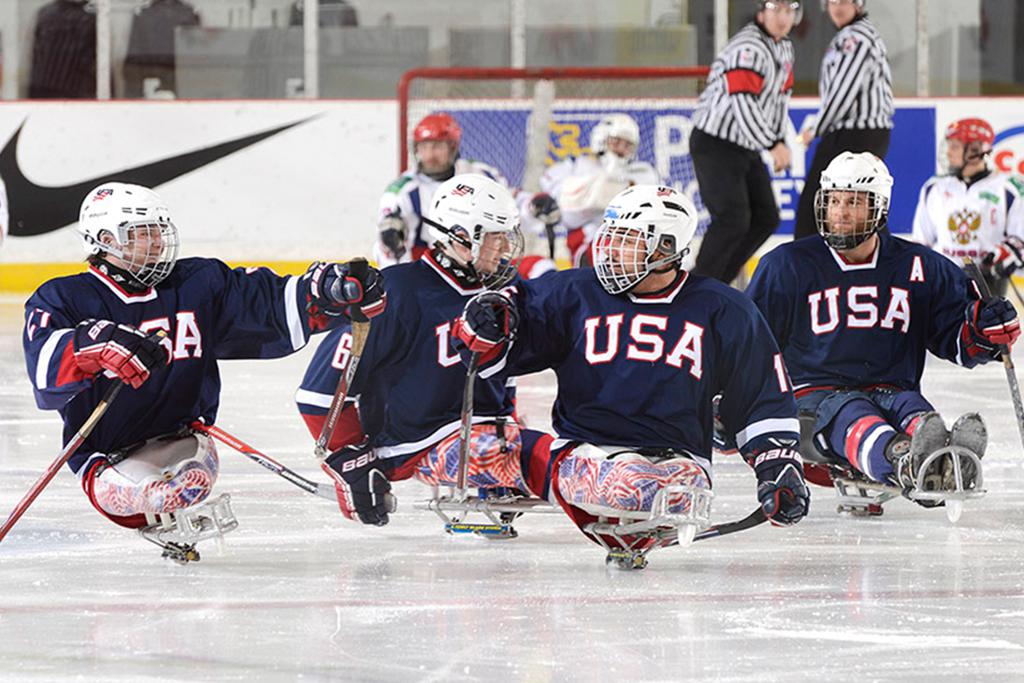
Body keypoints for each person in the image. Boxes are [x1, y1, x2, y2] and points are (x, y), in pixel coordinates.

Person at [22, 182, 385, 560]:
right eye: (142, 233)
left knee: (185, 485)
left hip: (182, 440)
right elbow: (45, 366)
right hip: (106, 458)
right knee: (155, 495)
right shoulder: (64, 298)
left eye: (159, 231)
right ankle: (149, 495)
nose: (156, 243)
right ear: (105, 240)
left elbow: (265, 302)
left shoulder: (196, 283)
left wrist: (326, 291)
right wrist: (93, 346)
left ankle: (168, 493)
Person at [453, 184, 809, 561]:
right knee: (473, 450)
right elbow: (494, 340)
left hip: (676, 464)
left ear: (665, 249)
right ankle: (558, 472)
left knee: (644, 488)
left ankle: (592, 479)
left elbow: (762, 396)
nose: (609, 250)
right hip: (584, 452)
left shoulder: (724, 310)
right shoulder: (575, 292)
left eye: (626, 241)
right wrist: (487, 321)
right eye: (610, 237)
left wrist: (778, 468)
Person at [747, 152, 1019, 504]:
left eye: (854, 202)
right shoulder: (786, 265)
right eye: (834, 201)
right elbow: (749, 344)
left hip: (893, 388)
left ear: (879, 207)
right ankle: (905, 463)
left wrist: (985, 329)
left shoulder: (920, 266)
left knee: (914, 411)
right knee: (854, 414)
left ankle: (943, 458)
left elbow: (958, 340)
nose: (841, 212)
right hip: (814, 400)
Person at [298, 174, 525, 526]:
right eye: (497, 236)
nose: (506, 247)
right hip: (413, 444)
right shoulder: (396, 291)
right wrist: (351, 461)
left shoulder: (502, 292)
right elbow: (318, 393)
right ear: (461, 237)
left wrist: (505, 423)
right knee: (534, 458)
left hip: (481, 436)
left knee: (536, 449)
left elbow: (504, 378)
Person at [689, 0, 799, 285]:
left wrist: (778, 139)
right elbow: (743, 102)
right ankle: (696, 290)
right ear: (762, 12)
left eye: (789, 10)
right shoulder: (748, 47)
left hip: (745, 145)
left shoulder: (784, 47)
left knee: (766, 217)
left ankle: (718, 283)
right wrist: (772, 143)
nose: (783, 17)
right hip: (716, 142)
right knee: (732, 219)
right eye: (776, 9)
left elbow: (779, 101)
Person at [794, 0, 894, 239]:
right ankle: (882, 256)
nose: (837, 7)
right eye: (832, 2)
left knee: (817, 207)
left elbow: (842, 92)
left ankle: (803, 264)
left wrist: (815, 129)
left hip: (856, 135)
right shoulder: (851, 35)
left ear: (858, 4)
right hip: (857, 133)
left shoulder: (856, 38)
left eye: (844, 1)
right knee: (861, 205)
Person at [375, 113, 514, 268]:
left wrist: (531, 205)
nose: (430, 155)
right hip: (429, 271)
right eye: (424, 147)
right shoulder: (402, 191)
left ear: (453, 147)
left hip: (482, 262)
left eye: (437, 147)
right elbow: (386, 246)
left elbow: (513, 203)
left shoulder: (480, 174)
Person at [523, 113, 660, 267]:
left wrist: (592, 189)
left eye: (627, 145)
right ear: (601, 139)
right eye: (616, 142)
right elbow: (563, 206)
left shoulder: (642, 172)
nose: (621, 149)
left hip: (627, 240)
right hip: (588, 240)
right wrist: (607, 185)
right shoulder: (576, 166)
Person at [912, 117, 1024, 297]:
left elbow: (1020, 239)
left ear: (976, 150)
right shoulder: (934, 187)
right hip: (943, 281)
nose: (948, 152)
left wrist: (1009, 251)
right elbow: (921, 243)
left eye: (955, 147)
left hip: (989, 283)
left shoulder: (1009, 188)